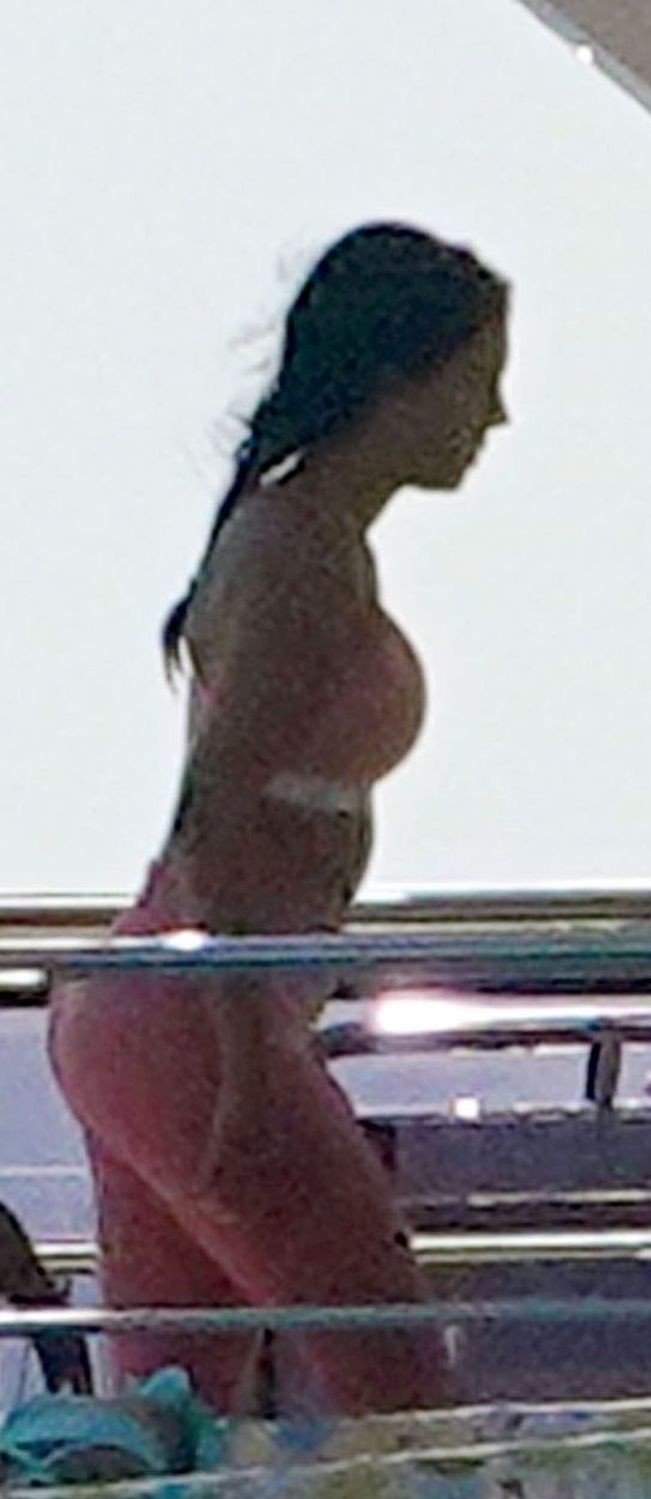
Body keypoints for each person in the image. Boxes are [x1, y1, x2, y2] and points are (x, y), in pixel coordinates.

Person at [47, 222, 511, 1418]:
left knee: (174, 1415)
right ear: (396, 379)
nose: (493, 417)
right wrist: (252, 1068)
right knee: (396, 1390)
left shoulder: (301, 533)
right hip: (199, 1020)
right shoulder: (298, 550)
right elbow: (219, 811)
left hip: (168, 1015)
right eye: (475, 381)